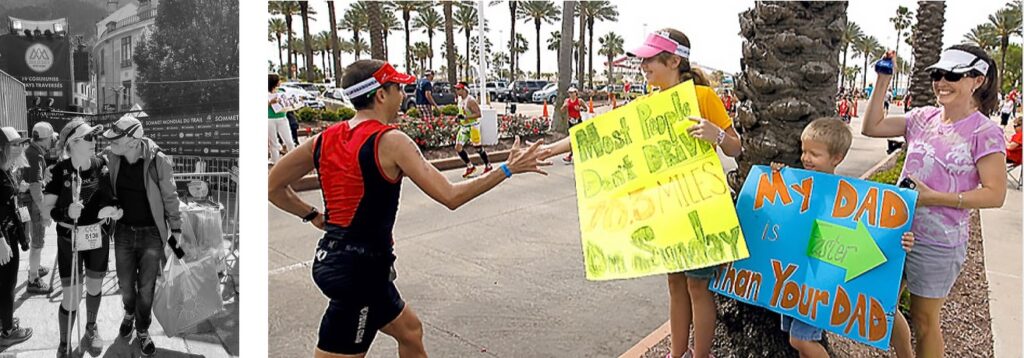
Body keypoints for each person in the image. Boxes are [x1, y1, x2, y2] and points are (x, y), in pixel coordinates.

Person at [268, 60, 550, 358]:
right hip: (359, 273)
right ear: (380, 95)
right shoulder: (390, 141)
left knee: (410, 331)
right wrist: (507, 168)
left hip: (344, 259)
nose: (402, 95)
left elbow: (273, 185)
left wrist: (312, 215)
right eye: (398, 88)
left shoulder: (323, 139)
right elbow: (450, 196)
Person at [541, 29, 742, 358]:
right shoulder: (646, 103)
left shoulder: (703, 98)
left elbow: (736, 147)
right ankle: (676, 353)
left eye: (650, 59)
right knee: (675, 284)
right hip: (666, 210)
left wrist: (717, 135)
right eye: (643, 59)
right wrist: (550, 150)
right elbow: (598, 132)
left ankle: (700, 355)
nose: (643, 66)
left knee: (697, 286)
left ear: (674, 60)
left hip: (702, 209)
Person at [862, 46, 1007, 357]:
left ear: (977, 81)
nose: (941, 82)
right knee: (879, 301)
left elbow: (995, 193)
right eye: (937, 74)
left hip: (938, 243)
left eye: (952, 75)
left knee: (925, 321)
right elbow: (871, 127)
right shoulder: (921, 117)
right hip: (896, 231)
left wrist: (932, 198)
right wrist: (883, 79)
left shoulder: (986, 131)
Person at [770, 118, 915, 357]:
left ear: (836, 158)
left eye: (814, 154)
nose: (806, 158)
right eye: (804, 151)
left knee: (800, 340)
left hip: (820, 282)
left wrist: (903, 239)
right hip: (797, 276)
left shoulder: (851, 195)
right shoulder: (798, 181)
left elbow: (876, 230)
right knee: (797, 340)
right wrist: (777, 176)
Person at [101, 115, 184, 356]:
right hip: (124, 232)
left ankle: (142, 329)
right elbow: (96, 171)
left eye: (116, 140)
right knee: (126, 285)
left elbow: (171, 197)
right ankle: (129, 311)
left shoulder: (158, 161)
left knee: (146, 288)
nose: (110, 143)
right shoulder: (113, 157)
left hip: (151, 235)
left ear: (133, 141)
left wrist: (175, 230)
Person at [41, 119, 119, 356]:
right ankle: (65, 343)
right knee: (72, 297)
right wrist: (66, 212)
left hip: (98, 237)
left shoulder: (100, 163)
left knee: (95, 287)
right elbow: (46, 210)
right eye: (88, 138)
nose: (94, 141)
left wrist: (113, 208)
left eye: (94, 137)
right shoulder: (58, 171)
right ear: (73, 143)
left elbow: (109, 196)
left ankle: (91, 329)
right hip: (70, 240)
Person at [0, 127, 33, 347]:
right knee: (7, 284)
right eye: (14, 144)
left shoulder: (6, 169)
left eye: (20, 144)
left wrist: (17, 189)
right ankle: (8, 331)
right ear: (2, 147)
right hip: (3, 238)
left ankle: (5, 321)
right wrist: (0, 240)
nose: (19, 148)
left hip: (9, 233)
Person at [24, 121, 54, 294]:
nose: (52, 141)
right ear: (45, 138)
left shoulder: (32, 151)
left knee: (36, 241)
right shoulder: (36, 155)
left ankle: (35, 267)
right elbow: (35, 187)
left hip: (28, 202)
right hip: (34, 204)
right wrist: (45, 212)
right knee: (37, 242)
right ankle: (33, 279)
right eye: (50, 138)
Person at [453, 81, 492, 178]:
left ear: (464, 90)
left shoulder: (470, 101)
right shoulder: (459, 100)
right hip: (464, 127)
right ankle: (470, 166)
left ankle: (488, 165)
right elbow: (462, 112)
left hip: (473, 126)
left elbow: (478, 114)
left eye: (459, 89)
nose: (457, 91)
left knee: (478, 147)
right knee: (458, 147)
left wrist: (466, 118)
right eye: (456, 89)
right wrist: (458, 118)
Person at [269, 74, 296, 164]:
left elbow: (287, 102)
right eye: (278, 80)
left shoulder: (281, 92)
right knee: (273, 142)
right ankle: (275, 160)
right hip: (269, 119)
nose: (280, 82)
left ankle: (294, 159)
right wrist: (270, 102)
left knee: (289, 141)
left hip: (282, 118)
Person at [561, 87, 584, 163]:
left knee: (577, 139)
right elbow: (562, 110)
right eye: (569, 93)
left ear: (576, 93)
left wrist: (580, 109)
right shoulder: (567, 101)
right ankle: (571, 155)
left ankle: (572, 155)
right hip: (571, 121)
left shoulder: (579, 101)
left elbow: (586, 109)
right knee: (572, 139)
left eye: (572, 92)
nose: (571, 94)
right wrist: (564, 106)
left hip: (578, 121)